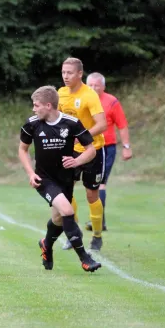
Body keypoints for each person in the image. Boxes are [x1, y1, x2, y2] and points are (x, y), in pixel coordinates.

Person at [19, 85, 102, 273]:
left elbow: (90, 150)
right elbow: (22, 150)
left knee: (58, 218)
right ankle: (85, 258)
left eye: (36, 105)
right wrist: (31, 174)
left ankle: (46, 244)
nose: (34, 109)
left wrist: (76, 161)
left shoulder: (71, 123)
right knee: (67, 210)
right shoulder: (32, 124)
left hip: (65, 179)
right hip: (44, 180)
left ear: (49, 105)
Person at [57, 58, 107, 251]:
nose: (65, 76)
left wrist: (82, 136)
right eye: (63, 72)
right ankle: (73, 232)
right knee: (65, 191)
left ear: (80, 74)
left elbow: (102, 124)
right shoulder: (60, 94)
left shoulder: (90, 95)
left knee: (91, 195)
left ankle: (97, 235)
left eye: (69, 73)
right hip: (70, 151)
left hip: (92, 150)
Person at [84, 72, 132, 232]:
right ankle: (93, 219)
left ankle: (99, 222)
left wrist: (126, 146)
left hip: (106, 147)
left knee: (100, 183)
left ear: (103, 86)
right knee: (88, 185)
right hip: (85, 146)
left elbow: (122, 125)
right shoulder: (82, 99)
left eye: (96, 85)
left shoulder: (111, 102)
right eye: (90, 84)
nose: (93, 88)